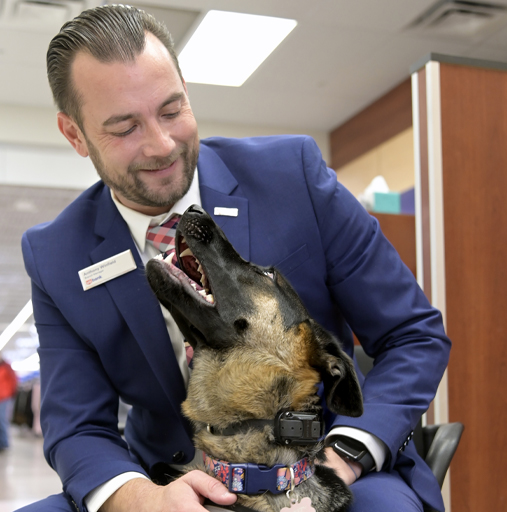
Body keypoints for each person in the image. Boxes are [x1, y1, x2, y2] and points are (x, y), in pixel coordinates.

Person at [18, 5, 451, 512]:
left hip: (322, 458)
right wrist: (141, 499)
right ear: (75, 134)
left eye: (172, 110)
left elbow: (412, 335)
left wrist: (346, 455)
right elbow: (76, 424)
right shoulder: (56, 254)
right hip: (169, 479)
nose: (161, 144)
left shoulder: (293, 176)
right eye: (124, 127)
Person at [0, 353, 17, 451]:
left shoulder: (7, 367)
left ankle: (5, 443)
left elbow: (13, 382)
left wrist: (11, 395)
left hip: (5, 397)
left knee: (2, 419)